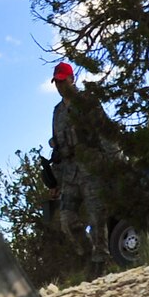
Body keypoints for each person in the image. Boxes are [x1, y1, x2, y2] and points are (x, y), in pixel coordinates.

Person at [48, 62, 108, 269]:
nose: (60, 85)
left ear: (72, 79)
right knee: (67, 219)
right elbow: (57, 147)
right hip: (70, 172)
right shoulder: (57, 112)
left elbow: (105, 132)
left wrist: (114, 163)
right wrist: (55, 182)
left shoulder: (87, 102)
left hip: (91, 166)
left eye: (63, 81)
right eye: (57, 82)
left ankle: (101, 262)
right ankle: (89, 254)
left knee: (97, 216)